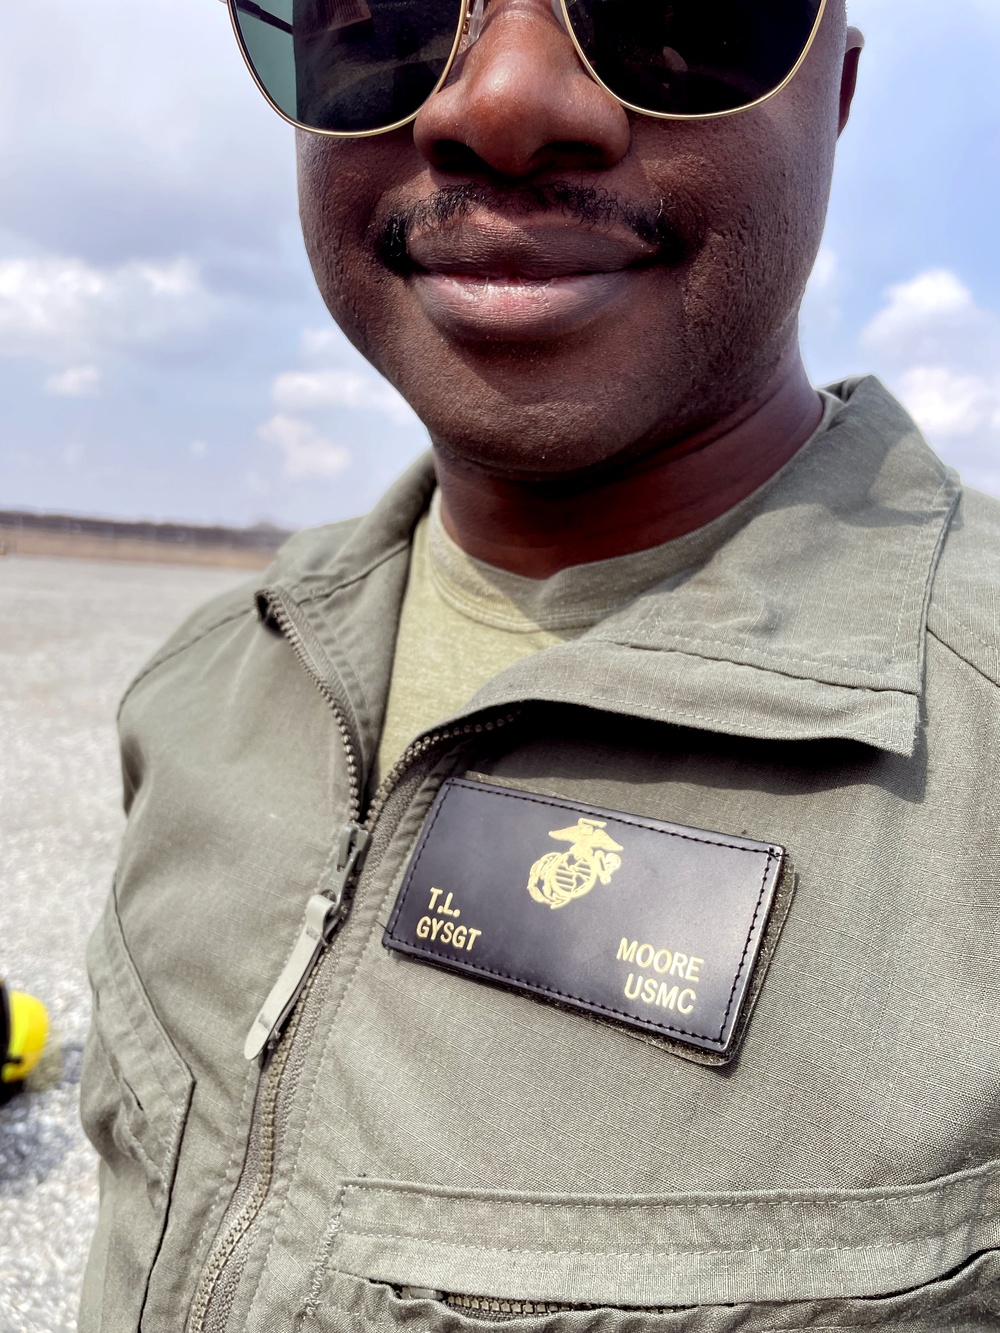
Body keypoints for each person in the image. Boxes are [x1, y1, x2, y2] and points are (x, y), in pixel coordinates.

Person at [78, 0, 1000, 1328]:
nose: (500, 102)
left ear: (836, 97)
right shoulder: (212, 684)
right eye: (381, 13)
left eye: (671, 13)